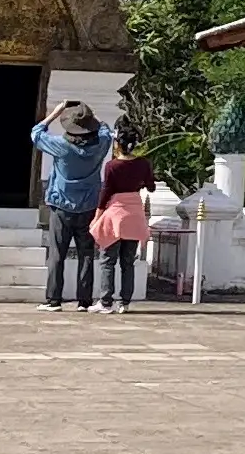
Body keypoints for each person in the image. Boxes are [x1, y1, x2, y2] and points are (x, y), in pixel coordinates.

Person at [31, 100, 116, 311]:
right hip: (89, 206)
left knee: (57, 254)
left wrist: (55, 113)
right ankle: (84, 301)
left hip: (61, 206)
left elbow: (36, 134)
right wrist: (89, 115)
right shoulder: (101, 144)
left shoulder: (61, 146)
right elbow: (106, 129)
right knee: (86, 254)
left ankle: (54, 299)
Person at [92, 136, 156, 314]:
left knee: (108, 260)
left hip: (116, 213)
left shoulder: (112, 166)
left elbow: (106, 193)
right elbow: (151, 186)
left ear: (118, 145)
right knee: (128, 262)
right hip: (135, 213)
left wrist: (97, 216)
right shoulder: (143, 164)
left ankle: (105, 301)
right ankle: (124, 302)